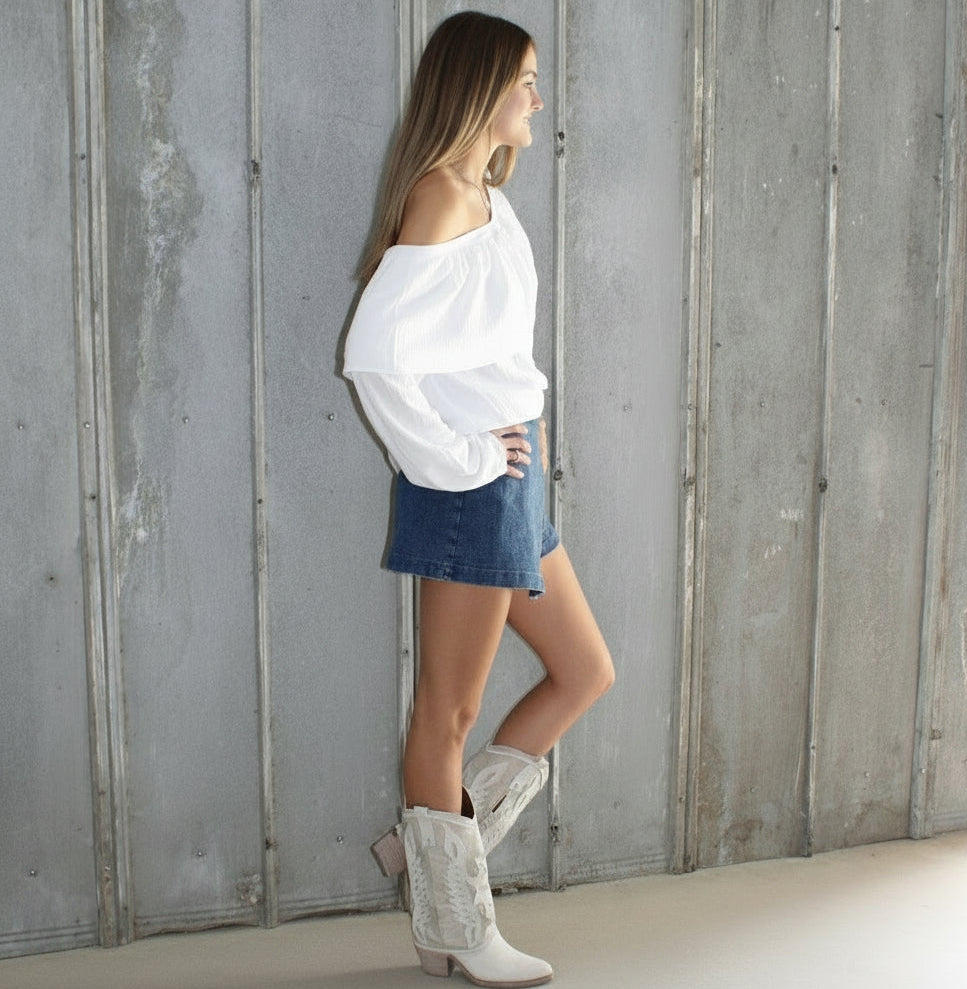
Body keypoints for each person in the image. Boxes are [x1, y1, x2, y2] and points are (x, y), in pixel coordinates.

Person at [343, 11, 614, 987]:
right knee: (446, 714)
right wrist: (457, 457)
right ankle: (454, 921)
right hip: (470, 487)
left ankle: (432, 865)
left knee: (582, 670)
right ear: (479, 87)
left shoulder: (483, 194)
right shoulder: (441, 197)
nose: (537, 97)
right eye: (524, 79)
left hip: (511, 478)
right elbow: (372, 357)